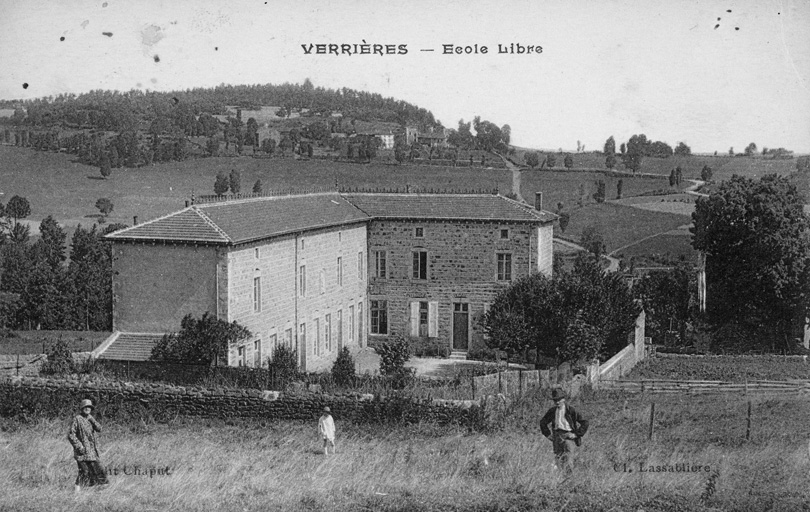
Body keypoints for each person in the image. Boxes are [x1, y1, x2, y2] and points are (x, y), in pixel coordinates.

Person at [539, 388, 589, 474]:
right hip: (557, 437)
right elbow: (543, 422)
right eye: (555, 400)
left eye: (559, 400)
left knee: (569, 461)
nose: (557, 402)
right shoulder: (552, 411)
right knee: (559, 460)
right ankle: (561, 481)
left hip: (568, 437)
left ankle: (571, 481)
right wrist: (548, 435)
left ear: (564, 399)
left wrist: (576, 434)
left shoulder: (571, 410)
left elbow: (585, 422)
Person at [67, 399, 109, 491]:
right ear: (82, 408)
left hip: (92, 452)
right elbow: (71, 435)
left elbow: (99, 428)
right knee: (84, 472)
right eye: (86, 407)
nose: (88, 409)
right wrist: (79, 446)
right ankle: (76, 492)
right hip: (82, 452)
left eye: (89, 407)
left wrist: (92, 419)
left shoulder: (90, 419)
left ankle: (95, 491)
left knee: (99, 470)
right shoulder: (77, 419)